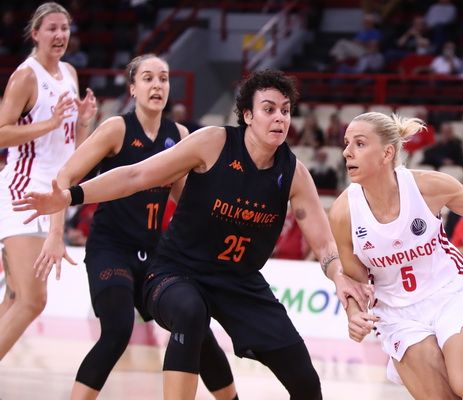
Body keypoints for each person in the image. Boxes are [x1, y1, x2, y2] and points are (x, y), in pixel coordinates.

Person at [14, 69, 373, 400]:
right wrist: (72, 195)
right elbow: (136, 175)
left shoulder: (293, 173)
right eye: (268, 109)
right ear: (248, 115)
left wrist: (338, 276)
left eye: (285, 110)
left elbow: (324, 244)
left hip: (240, 282)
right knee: (189, 311)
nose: (279, 117)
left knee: (306, 381)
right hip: (177, 271)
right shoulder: (213, 143)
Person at [32, 54, 237, 400]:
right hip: (111, 250)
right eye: (148, 78)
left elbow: (187, 198)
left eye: (163, 78)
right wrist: (55, 234)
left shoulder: (180, 135)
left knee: (197, 326)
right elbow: (64, 177)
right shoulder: (117, 128)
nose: (157, 85)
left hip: (157, 255)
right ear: (132, 88)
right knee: (117, 331)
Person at [329, 112, 463, 399]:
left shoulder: (427, 187)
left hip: (446, 294)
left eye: (360, 143)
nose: (347, 152)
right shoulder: (343, 212)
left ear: (387, 153)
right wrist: (354, 314)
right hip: (396, 313)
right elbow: (355, 280)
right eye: (346, 143)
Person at [0, 2, 97, 360]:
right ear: (35, 33)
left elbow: (71, 152)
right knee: (32, 301)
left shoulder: (69, 73)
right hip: (22, 192)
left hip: (53, 195)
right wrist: (50, 124)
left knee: (15, 298)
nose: (59, 35)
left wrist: (83, 122)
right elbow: (2, 133)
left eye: (64, 28)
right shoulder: (26, 77)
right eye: (52, 28)